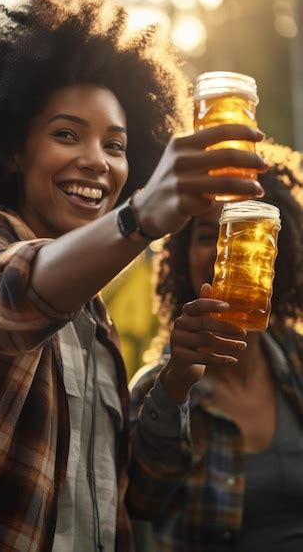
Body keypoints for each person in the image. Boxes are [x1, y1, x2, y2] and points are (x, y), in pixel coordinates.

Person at [0, 0, 267, 552]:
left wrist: (176, 380)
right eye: (66, 134)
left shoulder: (94, 321)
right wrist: (140, 217)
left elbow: (142, 497)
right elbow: (3, 297)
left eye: (116, 145)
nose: (96, 161)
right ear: (12, 149)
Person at [129, 141, 303, 552]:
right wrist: (176, 386)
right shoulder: (157, 389)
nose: (228, 249)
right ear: (182, 254)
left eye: (248, 234)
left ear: (278, 252)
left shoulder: (297, 359)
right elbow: (141, 502)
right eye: (210, 234)